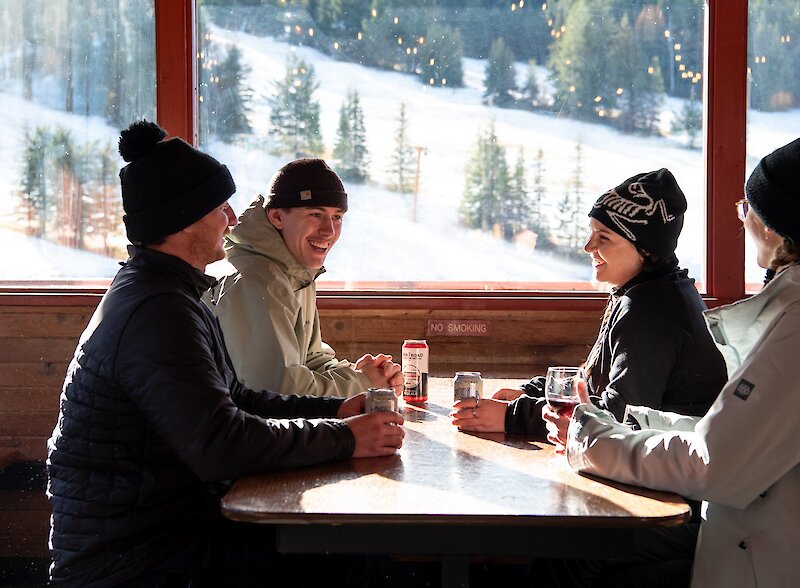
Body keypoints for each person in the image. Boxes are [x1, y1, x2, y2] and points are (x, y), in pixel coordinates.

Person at [46, 120, 404, 587]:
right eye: (220, 207)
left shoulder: (169, 294)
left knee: (354, 553)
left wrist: (336, 409)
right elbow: (221, 444)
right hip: (139, 559)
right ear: (183, 219)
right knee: (358, 561)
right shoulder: (156, 312)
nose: (232, 219)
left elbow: (237, 396)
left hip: (170, 531)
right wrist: (345, 438)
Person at [544, 138, 800, 587]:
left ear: (777, 225)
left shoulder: (795, 321)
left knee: (568, 554)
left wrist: (592, 440)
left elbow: (713, 462)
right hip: (750, 532)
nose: (742, 217)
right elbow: (730, 439)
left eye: (748, 206)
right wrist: (635, 425)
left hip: (765, 554)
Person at [452, 169, 727, 439]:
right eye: (591, 232)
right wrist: (535, 392)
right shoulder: (650, 290)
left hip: (666, 470)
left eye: (603, 237)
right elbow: (596, 382)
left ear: (645, 249)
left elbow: (622, 418)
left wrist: (515, 417)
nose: (588, 246)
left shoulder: (652, 312)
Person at [208, 158, 402, 398]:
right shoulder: (259, 280)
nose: (329, 231)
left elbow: (310, 359)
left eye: (337, 217)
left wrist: (359, 374)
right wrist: (362, 383)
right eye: (315, 214)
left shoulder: (294, 271)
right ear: (277, 217)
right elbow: (278, 391)